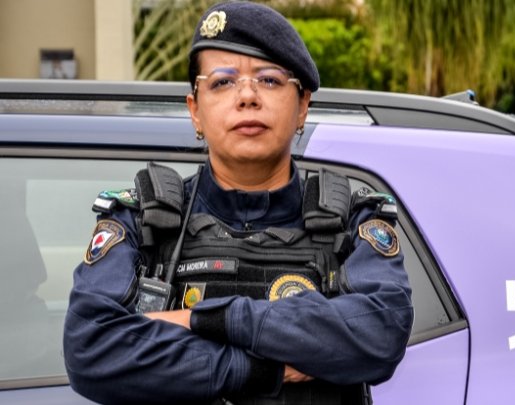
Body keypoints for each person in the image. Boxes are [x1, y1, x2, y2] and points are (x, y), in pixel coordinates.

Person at [62, 2, 413, 404]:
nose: (247, 96)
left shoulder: (350, 223)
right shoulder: (142, 221)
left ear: (302, 105)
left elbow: (380, 330)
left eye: (269, 80)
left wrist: (206, 319)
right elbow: (91, 348)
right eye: (223, 82)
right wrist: (261, 370)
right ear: (195, 110)